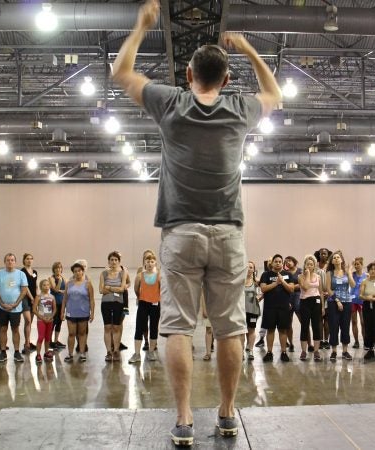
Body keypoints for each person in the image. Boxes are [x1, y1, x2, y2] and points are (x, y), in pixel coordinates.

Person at [112, 0, 280, 444]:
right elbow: (275, 94)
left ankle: (184, 418)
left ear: (188, 76)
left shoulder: (170, 103)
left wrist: (142, 25)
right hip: (228, 233)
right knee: (229, 327)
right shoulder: (240, 109)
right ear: (225, 81)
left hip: (181, 232)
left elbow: (121, 73)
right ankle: (226, 413)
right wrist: (247, 49)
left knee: (178, 326)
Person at [0, 253, 29, 363]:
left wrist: (16, 303)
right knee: (3, 329)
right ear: (5, 262)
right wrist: (2, 304)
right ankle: (3, 352)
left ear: (15, 262)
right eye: (8, 260)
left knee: (15, 329)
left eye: (12, 260)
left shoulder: (21, 274)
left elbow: (24, 290)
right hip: (1, 308)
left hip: (15, 308)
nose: (10, 262)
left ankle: (17, 352)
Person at [260, 255, 297, 362]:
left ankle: (284, 352)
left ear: (282, 263)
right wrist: (276, 283)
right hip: (270, 307)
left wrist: (283, 281)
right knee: (270, 330)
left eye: (280, 261)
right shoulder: (266, 274)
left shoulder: (288, 274)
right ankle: (269, 352)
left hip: (283, 307)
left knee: (283, 330)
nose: (278, 263)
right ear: (272, 263)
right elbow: (263, 288)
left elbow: (291, 289)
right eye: (276, 261)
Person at [130, 250, 161, 363]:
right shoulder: (140, 276)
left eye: (152, 261)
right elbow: (136, 289)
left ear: (155, 263)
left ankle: (151, 352)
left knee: (154, 328)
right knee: (139, 328)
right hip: (143, 304)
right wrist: (141, 297)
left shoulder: (159, 276)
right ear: (144, 263)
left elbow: (162, 290)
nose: (149, 264)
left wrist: (155, 298)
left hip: (155, 305)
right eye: (147, 261)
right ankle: (137, 354)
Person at [324, 250, 356, 361]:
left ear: (341, 260)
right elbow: (328, 289)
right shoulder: (329, 273)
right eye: (334, 258)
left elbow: (352, 285)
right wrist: (337, 301)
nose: (336, 259)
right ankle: (333, 351)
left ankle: (345, 351)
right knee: (333, 326)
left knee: (345, 326)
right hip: (333, 302)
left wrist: (350, 272)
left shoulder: (346, 272)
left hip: (347, 302)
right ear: (332, 261)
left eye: (338, 257)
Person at [62, 262, 95, 363]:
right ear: (73, 273)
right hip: (71, 312)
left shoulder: (88, 284)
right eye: (75, 271)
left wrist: (92, 313)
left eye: (79, 271)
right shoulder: (69, 283)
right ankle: (70, 354)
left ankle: (82, 353)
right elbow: (65, 299)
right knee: (71, 333)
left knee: (82, 333)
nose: (77, 273)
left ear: (82, 271)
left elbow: (92, 300)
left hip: (83, 313)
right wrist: (62, 311)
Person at [100, 251, 128, 362]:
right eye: (111, 260)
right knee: (107, 327)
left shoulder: (123, 273)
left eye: (116, 260)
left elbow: (122, 289)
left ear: (119, 261)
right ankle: (108, 352)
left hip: (118, 303)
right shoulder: (104, 273)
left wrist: (109, 288)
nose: (113, 262)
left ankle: (116, 351)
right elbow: (101, 290)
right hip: (106, 303)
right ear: (108, 261)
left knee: (116, 327)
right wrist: (114, 288)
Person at [298, 255, 324, 361]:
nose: (309, 266)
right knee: (304, 326)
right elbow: (305, 287)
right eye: (307, 264)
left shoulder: (318, 276)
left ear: (314, 266)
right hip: (305, 302)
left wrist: (322, 307)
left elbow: (321, 292)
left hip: (316, 301)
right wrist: (308, 274)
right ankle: (304, 351)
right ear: (305, 265)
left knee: (316, 326)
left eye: (311, 264)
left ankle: (316, 351)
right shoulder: (300, 276)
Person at [33, 279, 57, 364]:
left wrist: (51, 317)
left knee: (47, 337)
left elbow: (54, 309)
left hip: (50, 320)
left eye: (48, 285)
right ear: (41, 287)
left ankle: (46, 352)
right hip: (41, 320)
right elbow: (34, 309)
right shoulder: (38, 297)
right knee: (41, 337)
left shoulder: (52, 297)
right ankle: (38, 354)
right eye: (44, 285)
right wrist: (42, 318)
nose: (46, 287)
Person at [242, 261, 261, 361]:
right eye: (247, 267)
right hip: (241, 310)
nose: (249, 269)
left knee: (251, 329)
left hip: (253, 309)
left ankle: (251, 350)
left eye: (251, 267)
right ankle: (242, 351)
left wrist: (259, 297)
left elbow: (265, 290)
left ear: (254, 269)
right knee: (243, 330)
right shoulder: (240, 281)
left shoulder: (256, 281)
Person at [20, 253, 38, 354]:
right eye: (27, 259)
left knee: (30, 322)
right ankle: (26, 344)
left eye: (31, 258)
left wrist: (37, 297)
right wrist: (31, 298)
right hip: (25, 298)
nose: (29, 260)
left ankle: (29, 342)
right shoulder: (22, 272)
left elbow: (35, 285)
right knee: (27, 320)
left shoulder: (35, 272)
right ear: (24, 260)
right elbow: (25, 287)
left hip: (34, 299)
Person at [284, 256, 301, 353]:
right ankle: (291, 344)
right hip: (288, 298)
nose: (288, 263)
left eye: (289, 261)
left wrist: (291, 286)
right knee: (288, 323)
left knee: (303, 321)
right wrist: (290, 287)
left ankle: (310, 343)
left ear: (294, 261)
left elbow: (302, 284)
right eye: (286, 262)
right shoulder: (285, 273)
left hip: (299, 297)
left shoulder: (300, 271)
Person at [49, 261, 67, 351]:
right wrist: (59, 282)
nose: (58, 270)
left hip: (62, 303)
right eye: (56, 268)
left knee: (59, 322)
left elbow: (66, 289)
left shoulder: (63, 277)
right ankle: (49, 341)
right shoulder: (51, 278)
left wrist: (62, 291)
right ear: (54, 269)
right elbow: (55, 290)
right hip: (54, 303)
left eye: (60, 268)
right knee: (53, 322)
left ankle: (56, 341)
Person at [350, 256, 366, 350]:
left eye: (358, 264)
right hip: (353, 301)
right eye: (355, 264)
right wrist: (351, 266)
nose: (356, 266)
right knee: (354, 322)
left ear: (362, 265)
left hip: (362, 301)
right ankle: (356, 341)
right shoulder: (352, 274)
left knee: (363, 322)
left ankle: (365, 340)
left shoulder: (366, 276)